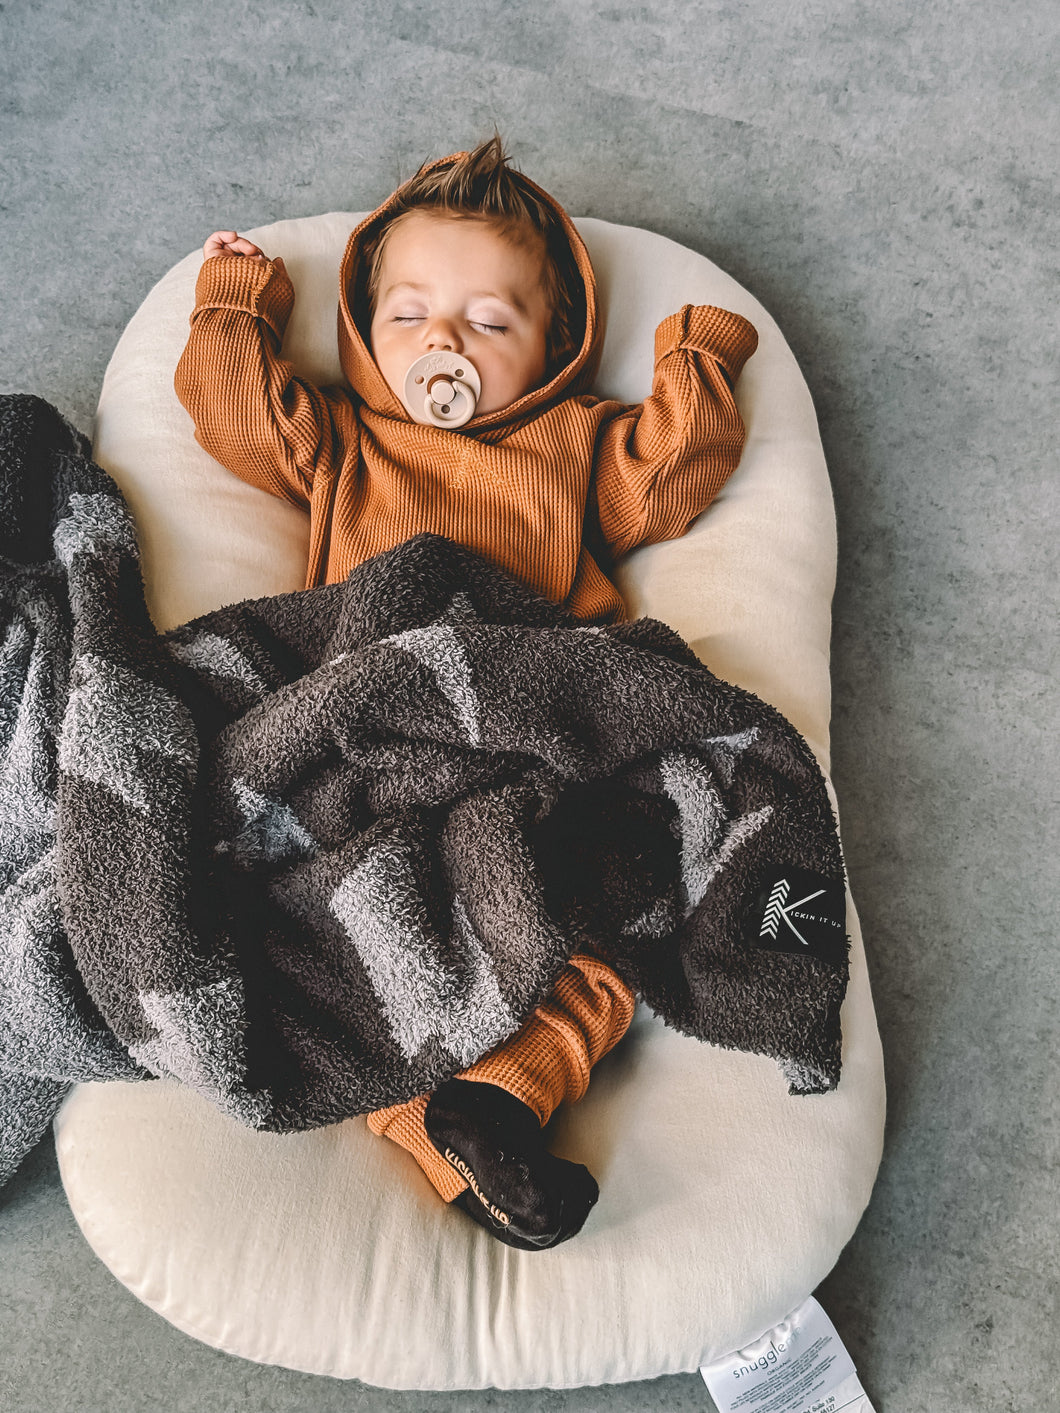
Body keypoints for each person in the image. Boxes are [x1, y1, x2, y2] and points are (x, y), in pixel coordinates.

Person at [175, 135, 758, 1250]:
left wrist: (697, 355)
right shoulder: (346, 439)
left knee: (611, 909)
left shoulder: (573, 440)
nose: (441, 341)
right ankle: (444, 1114)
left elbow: (671, 483)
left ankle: (499, 1099)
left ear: (553, 349)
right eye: (407, 316)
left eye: (488, 322)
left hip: (529, 721)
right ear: (361, 335)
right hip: (376, 718)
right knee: (346, 920)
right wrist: (235, 302)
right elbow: (234, 416)